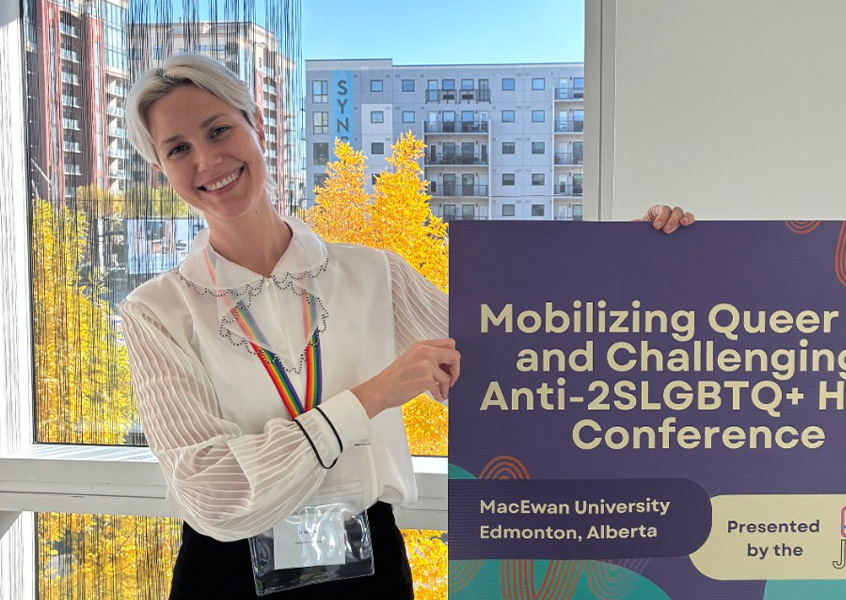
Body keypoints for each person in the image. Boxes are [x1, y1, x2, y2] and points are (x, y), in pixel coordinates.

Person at [121, 53, 694, 599]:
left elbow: (521, 366)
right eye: (178, 148)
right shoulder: (157, 311)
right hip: (227, 574)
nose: (206, 160)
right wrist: (370, 398)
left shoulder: (373, 274)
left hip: (367, 565)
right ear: (160, 169)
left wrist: (646, 264)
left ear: (258, 127)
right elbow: (213, 491)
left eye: (219, 130)